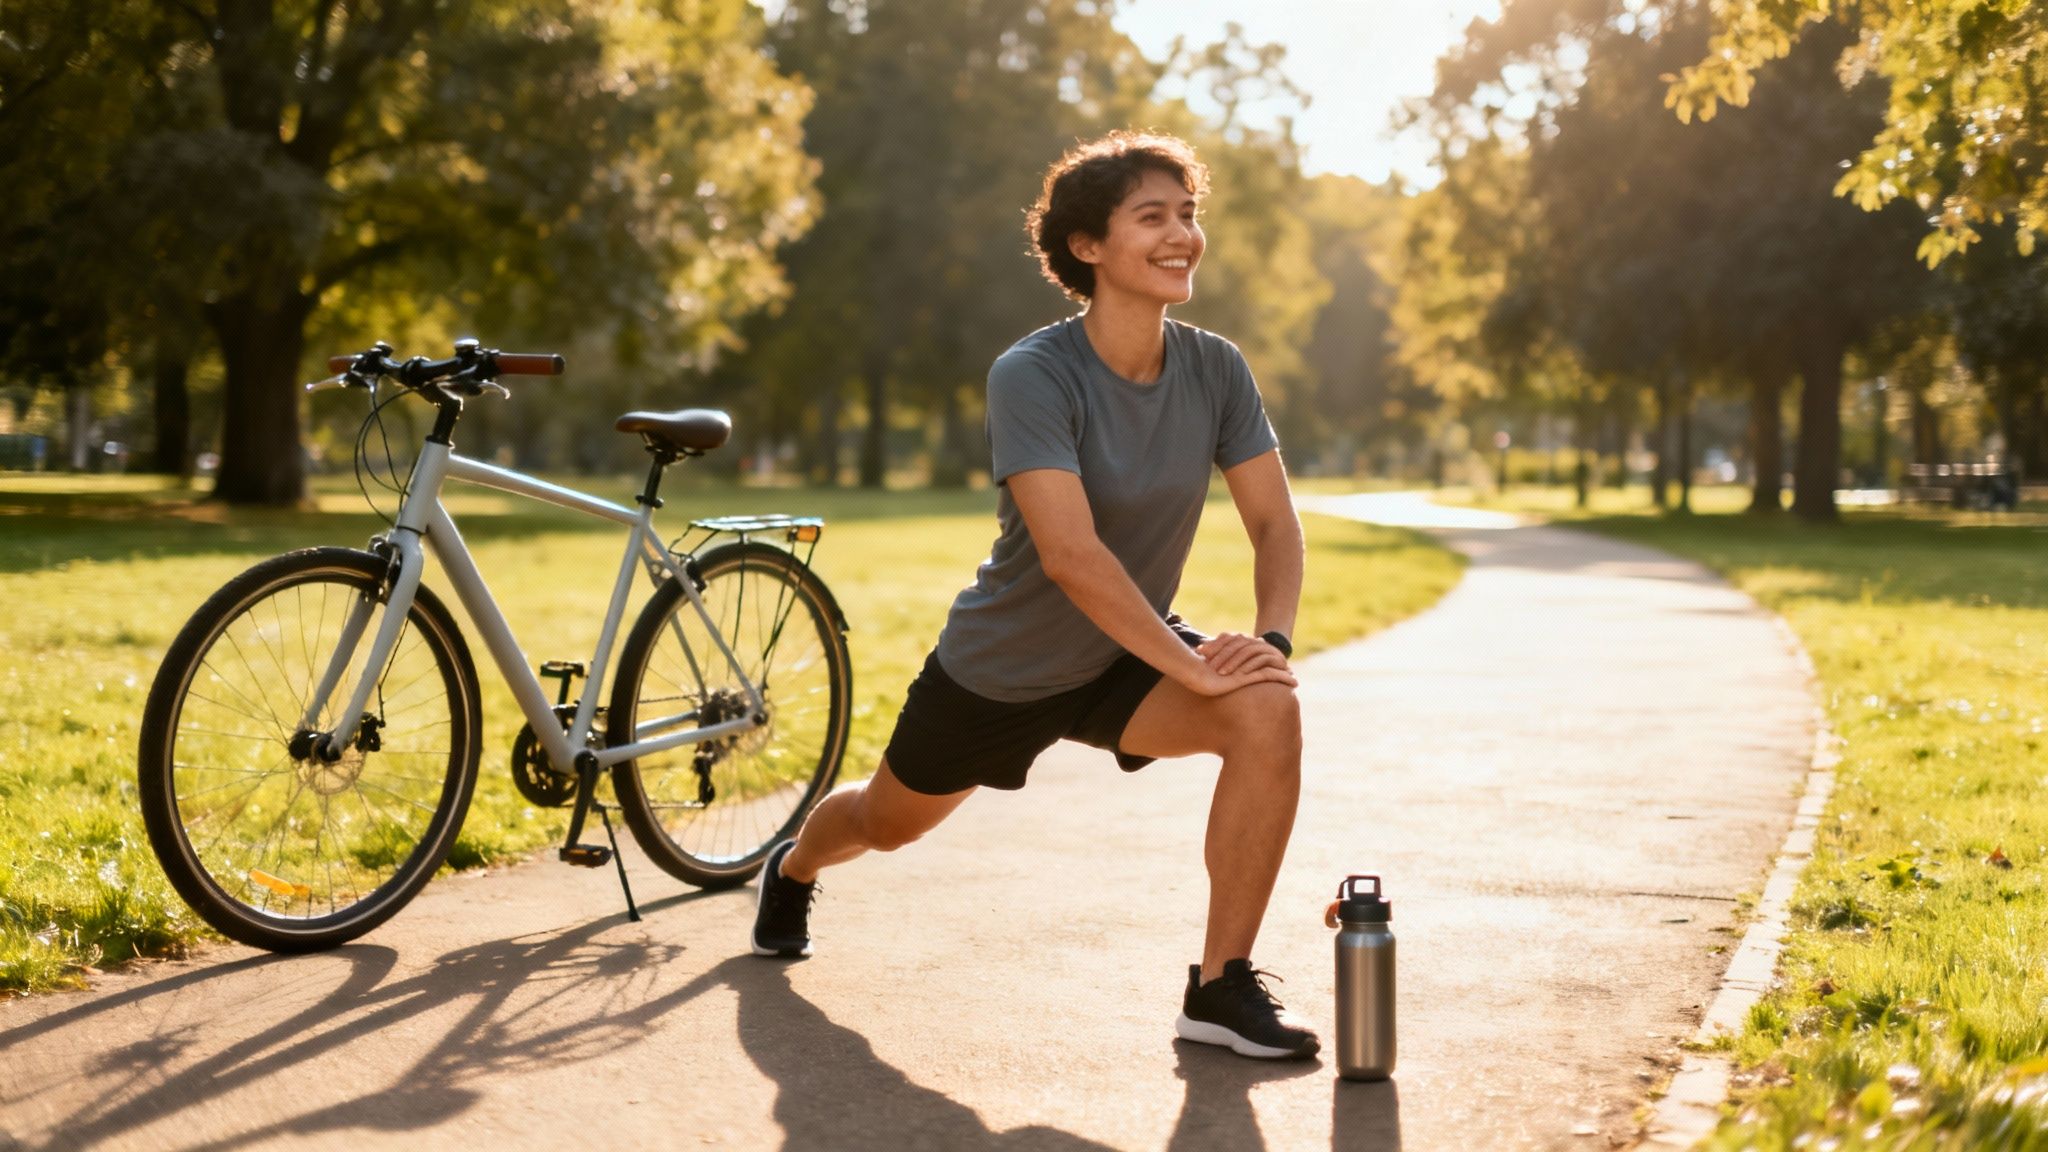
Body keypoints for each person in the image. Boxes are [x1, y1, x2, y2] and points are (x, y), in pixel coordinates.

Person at [751, 130, 1315, 1060]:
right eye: (1153, 217)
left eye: (1188, 215)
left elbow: (1274, 525)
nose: (1182, 235)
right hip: (1002, 671)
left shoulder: (1215, 368)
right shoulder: (1034, 374)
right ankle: (796, 864)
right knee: (882, 825)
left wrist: (1270, 646)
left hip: (1122, 657)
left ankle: (1218, 989)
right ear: (1087, 247)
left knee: (1267, 710)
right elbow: (1073, 557)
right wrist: (1193, 667)